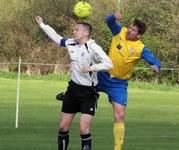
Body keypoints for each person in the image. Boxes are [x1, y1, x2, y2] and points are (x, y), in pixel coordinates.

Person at [35, 16, 113, 150]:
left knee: (83, 129)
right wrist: (42, 25)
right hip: (72, 91)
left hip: (89, 93)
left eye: (77, 29)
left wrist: (92, 68)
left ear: (86, 33)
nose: (74, 31)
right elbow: (57, 38)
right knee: (63, 127)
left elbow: (109, 63)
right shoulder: (71, 43)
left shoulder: (93, 47)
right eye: (74, 29)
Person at [96, 13, 161, 150]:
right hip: (102, 75)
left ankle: (118, 148)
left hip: (118, 84)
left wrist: (156, 65)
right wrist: (114, 16)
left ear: (138, 35)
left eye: (133, 30)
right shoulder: (120, 31)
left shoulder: (140, 48)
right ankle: (68, 93)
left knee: (120, 115)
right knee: (80, 80)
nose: (129, 30)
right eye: (130, 27)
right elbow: (108, 21)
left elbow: (154, 60)